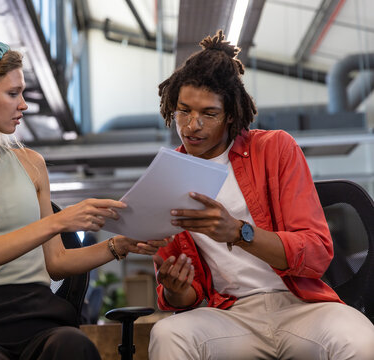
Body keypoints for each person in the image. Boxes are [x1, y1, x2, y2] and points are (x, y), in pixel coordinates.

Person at [0, 41, 166, 360]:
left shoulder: (31, 163)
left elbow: (55, 263)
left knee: (73, 346)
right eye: (13, 93)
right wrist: (57, 221)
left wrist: (118, 245)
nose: (23, 104)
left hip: (41, 319)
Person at [148, 30, 374, 360]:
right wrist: (175, 288)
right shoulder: (168, 178)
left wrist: (240, 233)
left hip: (300, 306)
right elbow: (187, 297)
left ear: (229, 114)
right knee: (168, 335)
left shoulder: (274, 149)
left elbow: (316, 252)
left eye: (208, 113)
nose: (192, 125)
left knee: (361, 342)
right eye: (183, 110)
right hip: (229, 315)